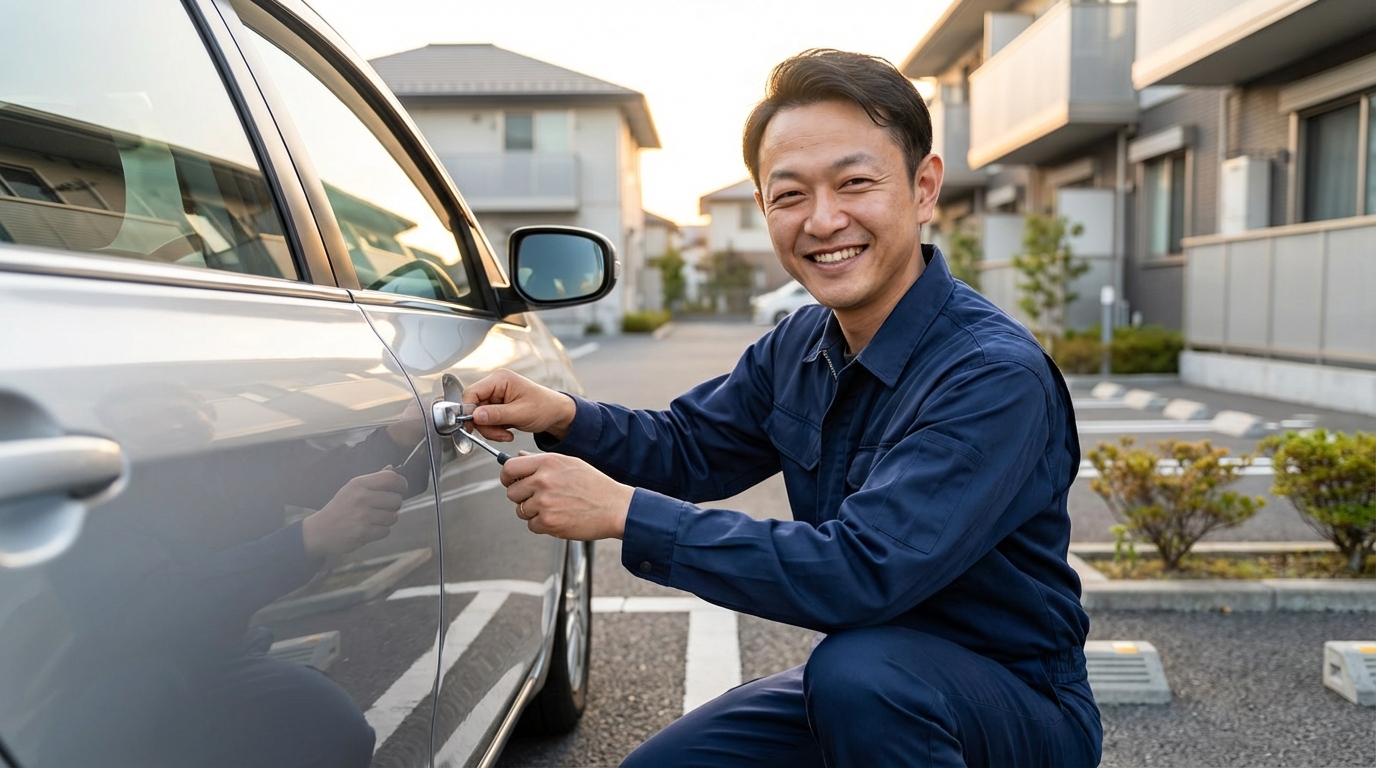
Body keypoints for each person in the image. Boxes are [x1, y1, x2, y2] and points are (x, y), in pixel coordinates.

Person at [463, 49, 1102, 767]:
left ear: (924, 189)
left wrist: (623, 511)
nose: (824, 220)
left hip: (1010, 705)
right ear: (765, 207)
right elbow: (690, 447)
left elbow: (862, 572)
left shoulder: (990, 376)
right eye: (791, 194)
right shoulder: (801, 342)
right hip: (873, 684)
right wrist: (563, 415)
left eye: (855, 183)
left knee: (859, 676)